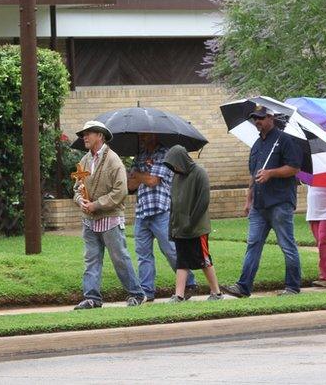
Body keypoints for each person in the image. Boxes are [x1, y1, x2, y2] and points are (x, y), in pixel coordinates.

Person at [221, 106, 303, 298]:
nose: (256, 121)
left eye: (260, 118)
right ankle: (243, 287)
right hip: (259, 204)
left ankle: (292, 287)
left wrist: (271, 173)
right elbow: (253, 174)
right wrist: (248, 199)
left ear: (270, 118)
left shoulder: (284, 140)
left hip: (280, 203)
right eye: (254, 119)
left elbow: (294, 168)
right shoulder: (257, 144)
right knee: (253, 244)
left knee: (287, 245)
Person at [72, 121, 145, 309]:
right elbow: (77, 188)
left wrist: (96, 204)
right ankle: (92, 298)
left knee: (119, 257)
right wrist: (81, 201)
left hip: (110, 219)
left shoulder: (113, 160)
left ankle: (137, 294)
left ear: (100, 136)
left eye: (88, 133)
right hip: (89, 220)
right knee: (91, 259)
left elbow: (120, 192)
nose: (84, 137)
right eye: (83, 134)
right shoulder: (84, 161)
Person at [127, 133, 196, 301]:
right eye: (141, 135)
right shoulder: (140, 156)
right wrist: (141, 176)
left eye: (145, 134)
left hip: (161, 209)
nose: (142, 137)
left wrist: (138, 175)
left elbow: (153, 181)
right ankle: (146, 292)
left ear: (155, 134)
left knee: (170, 250)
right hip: (142, 210)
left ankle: (189, 283)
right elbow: (130, 185)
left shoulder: (165, 154)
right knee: (143, 254)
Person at [163, 145, 223, 302]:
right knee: (182, 262)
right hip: (180, 229)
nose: (174, 168)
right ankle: (179, 295)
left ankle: (216, 293)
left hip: (197, 229)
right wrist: (174, 227)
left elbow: (203, 201)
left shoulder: (199, 173)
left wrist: (191, 223)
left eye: (175, 163)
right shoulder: (177, 177)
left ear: (181, 160)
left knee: (204, 260)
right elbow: (174, 203)